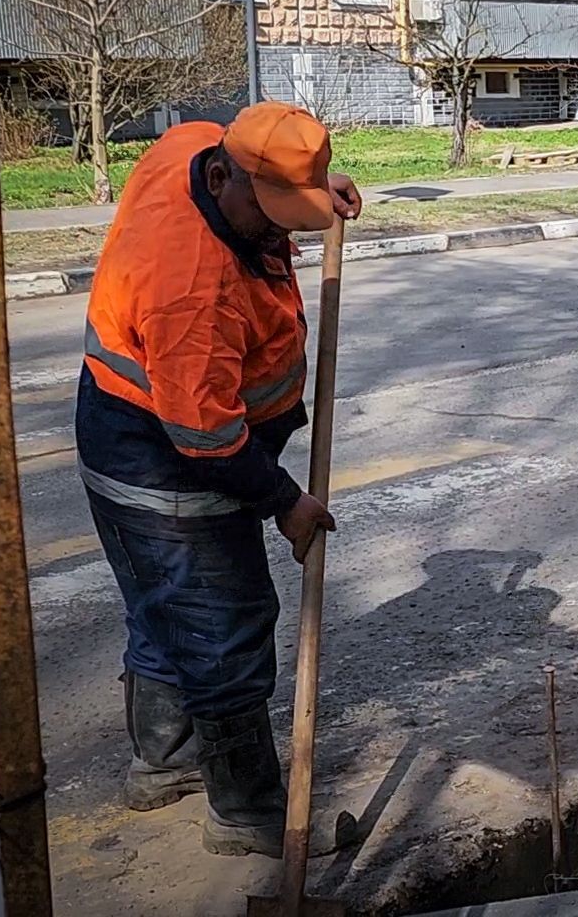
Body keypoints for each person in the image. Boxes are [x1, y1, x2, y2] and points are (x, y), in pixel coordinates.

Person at [78, 101, 362, 857]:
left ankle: (163, 763)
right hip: (161, 453)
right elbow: (207, 439)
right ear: (221, 177)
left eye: (290, 212)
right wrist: (286, 503)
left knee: (165, 605)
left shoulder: (195, 143)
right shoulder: (190, 291)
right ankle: (248, 812)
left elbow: (273, 191)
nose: (281, 232)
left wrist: (313, 189)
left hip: (129, 421)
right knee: (222, 620)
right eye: (271, 214)